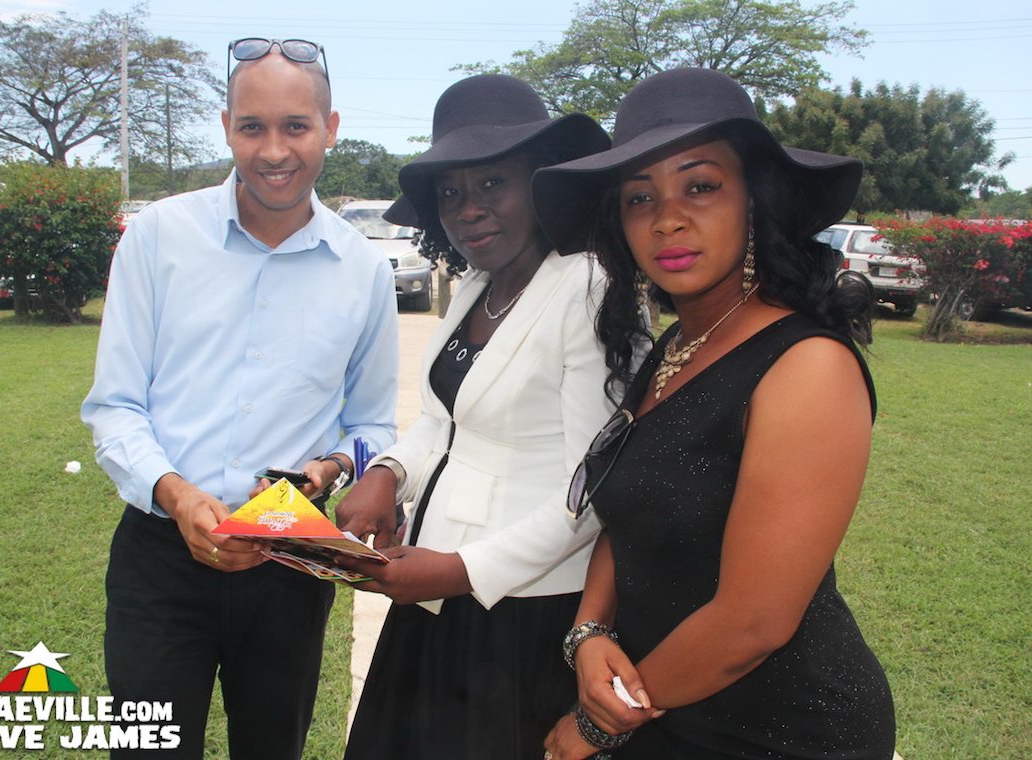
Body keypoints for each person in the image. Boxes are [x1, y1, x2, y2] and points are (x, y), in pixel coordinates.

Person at [532, 68, 896, 759]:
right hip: (658, 700)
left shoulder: (806, 365)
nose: (668, 218)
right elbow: (628, 506)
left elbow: (753, 622)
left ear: (755, 200)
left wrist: (595, 725)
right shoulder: (680, 343)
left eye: (700, 186)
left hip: (780, 727)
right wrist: (590, 631)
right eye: (641, 197)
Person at [80, 38, 399, 759]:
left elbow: (371, 427)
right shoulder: (159, 238)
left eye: (296, 126)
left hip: (287, 567)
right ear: (226, 126)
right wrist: (174, 494)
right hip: (159, 559)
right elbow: (116, 405)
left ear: (331, 127)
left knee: (271, 748)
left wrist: (326, 472)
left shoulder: (363, 271)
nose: (274, 150)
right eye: (253, 127)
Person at [333, 74, 614, 760]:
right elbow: (444, 421)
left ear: (542, 184)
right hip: (434, 592)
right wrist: (389, 475)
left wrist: (459, 570)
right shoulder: (477, 286)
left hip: (519, 608)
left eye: (492, 184)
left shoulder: (587, 288)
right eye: (452, 193)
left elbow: (593, 492)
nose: (469, 210)